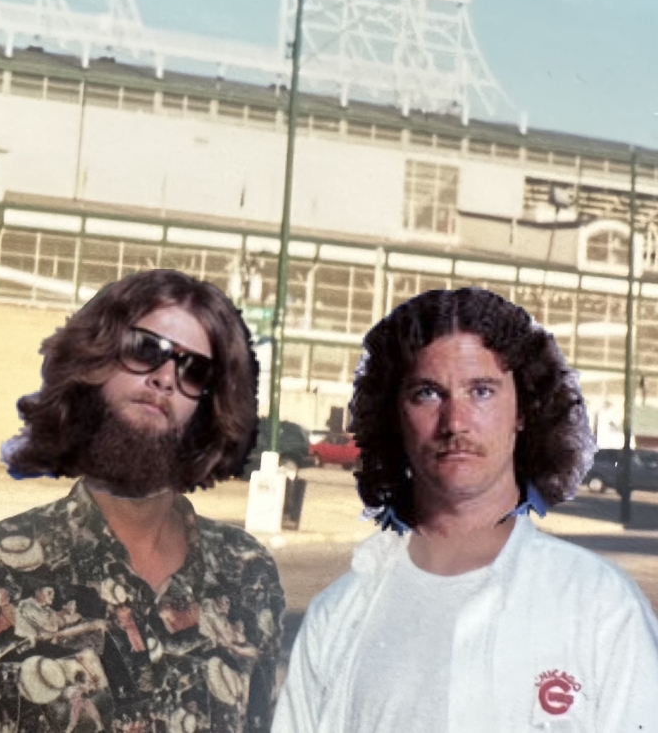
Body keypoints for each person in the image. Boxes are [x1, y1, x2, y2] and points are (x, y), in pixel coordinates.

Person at [0, 269, 285, 733]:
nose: (166, 377)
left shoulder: (247, 574)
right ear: (94, 364)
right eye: (146, 350)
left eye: (195, 370)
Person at [273, 287, 658, 733]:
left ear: (523, 410)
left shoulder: (601, 608)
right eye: (428, 393)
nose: (455, 421)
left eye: (481, 391)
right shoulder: (337, 618)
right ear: (395, 415)